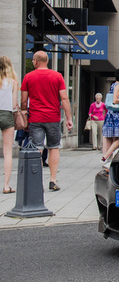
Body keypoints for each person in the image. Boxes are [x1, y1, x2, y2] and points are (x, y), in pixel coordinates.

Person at [20, 51, 73, 191]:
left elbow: (24, 101)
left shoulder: (28, 77)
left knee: (37, 148)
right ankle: (53, 180)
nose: (32, 62)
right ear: (47, 61)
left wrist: (25, 115)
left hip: (35, 118)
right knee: (53, 147)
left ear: (36, 61)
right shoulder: (57, 76)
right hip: (53, 117)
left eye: (32, 60)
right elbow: (64, 98)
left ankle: (36, 181)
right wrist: (69, 118)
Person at [0, 56, 19, 194]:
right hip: (7, 115)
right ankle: (6, 186)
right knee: (7, 152)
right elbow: (13, 105)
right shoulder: (13, 82)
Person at [102, 69, 119, 162]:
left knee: (113, 138)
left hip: (111, 114)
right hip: (117, 115)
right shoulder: (118, 86)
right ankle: (106, 155)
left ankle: (109, 159)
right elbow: (115, 100)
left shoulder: (113, 85)